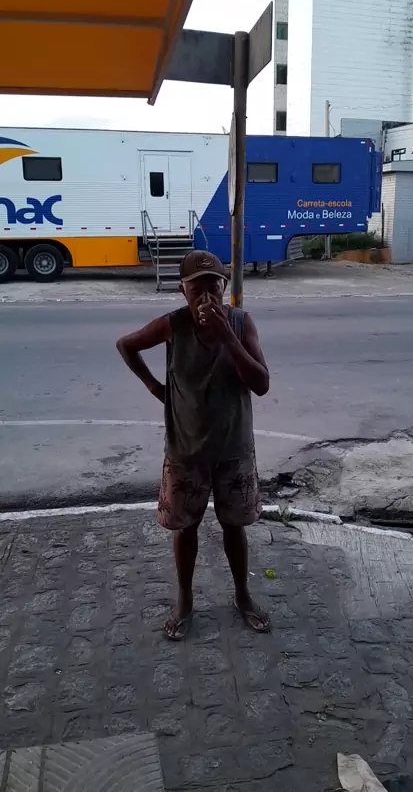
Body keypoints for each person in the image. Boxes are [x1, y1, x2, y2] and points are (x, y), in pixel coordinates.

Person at [116, 250, 271, 640]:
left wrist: (228, 337)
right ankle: (184, 600)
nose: (205, 299)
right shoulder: (173, 325)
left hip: (233, 448)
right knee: (185, 529)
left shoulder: (241, 322)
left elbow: (261, 384)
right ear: (183, 291)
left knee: (234, 526)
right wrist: (157, 389)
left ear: (224, 288)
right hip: (186, 450)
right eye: (196, 290)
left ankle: (242, 594)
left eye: (213, 289)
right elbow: (126, 345)